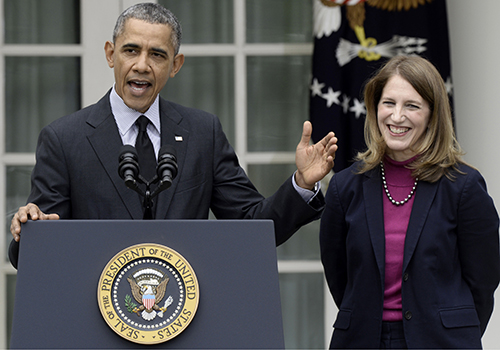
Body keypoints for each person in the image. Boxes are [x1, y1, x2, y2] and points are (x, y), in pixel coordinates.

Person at [8, 3, 337, 267]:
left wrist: (302, 184)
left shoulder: (202, 133)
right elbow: (33, 255)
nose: (141, 65)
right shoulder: (64, 139)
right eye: (130, 50)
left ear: (176, 64)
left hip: (184, 321)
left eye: (157, 54)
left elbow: (254, 226)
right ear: (111, 54)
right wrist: (33, 230)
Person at [320, 55, 500, 349]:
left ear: (432, 114)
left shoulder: (464, 187)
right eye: (388, 103)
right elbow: (339, 275)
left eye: (412, 106)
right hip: (363, 341)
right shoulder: (345, 186)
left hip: (442, 342)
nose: (397, 116)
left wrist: (451, 331)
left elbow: (483, 281)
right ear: (374, 107)